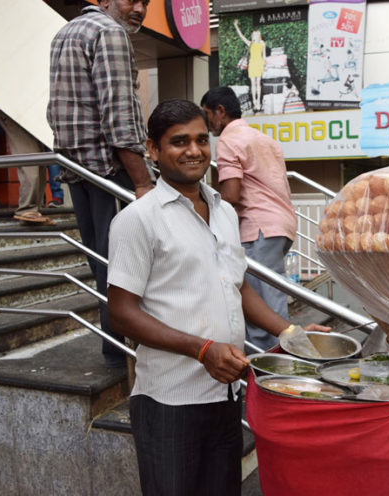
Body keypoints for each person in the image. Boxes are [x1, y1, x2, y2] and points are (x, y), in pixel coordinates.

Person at [107, 99, 327, 495]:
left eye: (200, 140)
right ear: (153, 150)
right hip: (169, 401)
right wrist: (202, 349)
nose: (193, 151)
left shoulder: (225, 211)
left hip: (225, 394)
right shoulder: (137, 219)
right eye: (178, 142)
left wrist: (291, 332)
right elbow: (121, 314)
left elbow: (238, 285)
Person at [47, 0, 154, 368]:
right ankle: (130, 351)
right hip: (110, 171)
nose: (139, 8)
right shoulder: (110, 32)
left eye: (146, 3)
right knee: (127, 266)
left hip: (78, 172)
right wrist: (142, 181)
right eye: (132, 0)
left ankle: (115, 349)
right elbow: (120, 114)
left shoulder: (65, 32)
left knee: (102, 263)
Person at [201, 87, 297, 351]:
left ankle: (267, 372)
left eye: (207, 114)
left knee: (260, 307)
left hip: (257, 228)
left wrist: (208, 219)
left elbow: (231, 194)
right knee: (272, 298)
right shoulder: (263, 138)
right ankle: (284, 362)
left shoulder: (228, 140)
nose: (208, 123)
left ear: (220, 112)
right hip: (282, 225)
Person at [0, 108, 55, 225]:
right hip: (14, 108)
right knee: (31, 162)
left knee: (39, 163)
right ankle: (27, 209)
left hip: (27, 109)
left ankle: (34, 209)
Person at [234, 19, 265, 112]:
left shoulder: (262, 43)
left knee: (258, 83)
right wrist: (236, 26)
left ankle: (258, 102)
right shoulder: (250, 43)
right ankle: (254, 102)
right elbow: (241, 36)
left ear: (259, 36)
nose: (255, 36)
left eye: (256, 35)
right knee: (253, 84)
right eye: (254, 35)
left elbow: (264, 56)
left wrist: (264, 65)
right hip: (252, 64)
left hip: (259, 63)